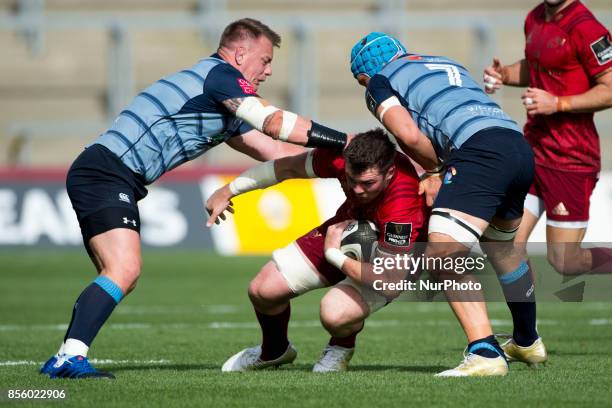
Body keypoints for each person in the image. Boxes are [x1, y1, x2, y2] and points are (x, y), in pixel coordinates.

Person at [40, 18, 349, 379]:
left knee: (119, 273)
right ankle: (68, 357)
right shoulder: (219, 77)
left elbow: (276, 151)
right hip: (106, 172)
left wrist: (348, 163)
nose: (267, 71)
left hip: (107, 172)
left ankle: (68, 355)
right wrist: (344, 141)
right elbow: (273, 123)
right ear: (239, 52)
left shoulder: (220, 101)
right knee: (123, 269)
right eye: (264, 60)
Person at [350, 32, 545, 376]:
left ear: (364, 76)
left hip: (478, 151)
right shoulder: (444, 63)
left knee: (442, 253)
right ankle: (527, 341)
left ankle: (484, 352)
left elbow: (408, 135)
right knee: (504, 251)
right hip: (516, 145)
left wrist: (435, 170)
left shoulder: (379, 81)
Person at [205, 128, 429, 372]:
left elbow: (388, 281)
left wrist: (334, 255)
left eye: (368, 183)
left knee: (335, 314)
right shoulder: (342, 157)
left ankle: (341, 346)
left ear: (390, 173)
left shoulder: (403, 203)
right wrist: (229, 190)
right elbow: (286, 167)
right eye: (352, 180)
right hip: (348, 226)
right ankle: (274, 350)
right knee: (263, 290)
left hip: (397, 258)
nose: (357, 190)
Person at [483, 0, 612, 284]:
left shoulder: (587, 28)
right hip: (533, 147)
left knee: (565, 260)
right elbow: (539, 67)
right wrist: (503, 74)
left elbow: (610, 88)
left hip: (570, 156)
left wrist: (559, 102)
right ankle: (528, 330)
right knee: (505, 245)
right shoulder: (535, 17)